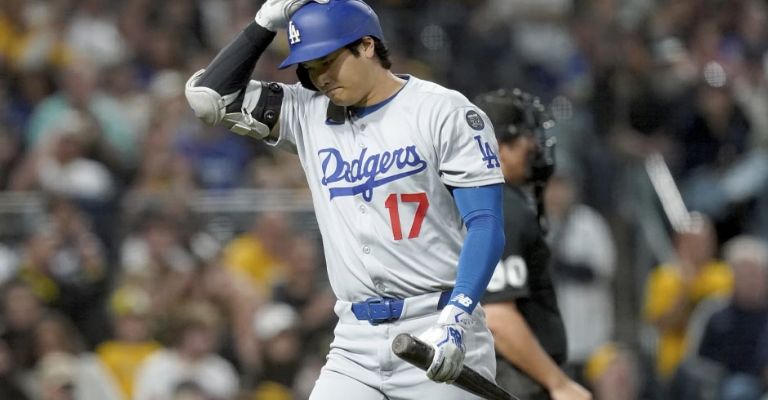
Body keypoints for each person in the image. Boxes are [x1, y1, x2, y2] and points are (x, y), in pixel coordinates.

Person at [184, 0, 506, 398]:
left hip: (437, 322)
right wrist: (266, 21)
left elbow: (486, 223)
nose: (320, 78)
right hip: (355, 341)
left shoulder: (443, 111)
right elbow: (208, 96)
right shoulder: (308, 112)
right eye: (310, 68)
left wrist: (458, 314)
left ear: (367, 45)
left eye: (327, 61)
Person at [475, 88, 591, 400]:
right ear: (497, 147)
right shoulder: (501, 206)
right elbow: (497, 316)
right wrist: (558, 383)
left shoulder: (468, 201)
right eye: (526, 137)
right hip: (510, 379)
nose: (535, 146)